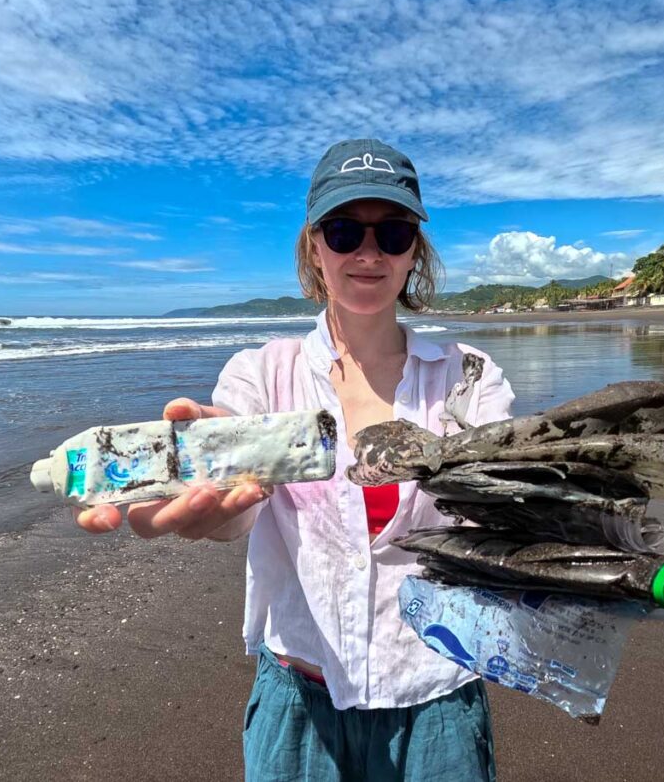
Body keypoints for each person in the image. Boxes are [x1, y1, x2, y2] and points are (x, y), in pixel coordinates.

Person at [74, 139, 515, 781]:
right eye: (343, 231)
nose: (368, 253)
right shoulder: (263, 373)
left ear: (414, 248)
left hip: (437, 698)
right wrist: (198, 496)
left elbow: (507, 502)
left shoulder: (468, 378)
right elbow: (235, 487)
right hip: (300, 705)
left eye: (391, 233)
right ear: (315, 245)